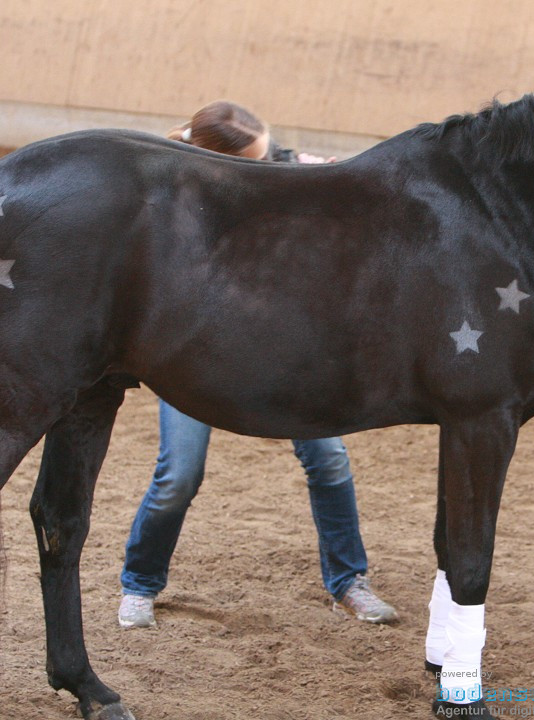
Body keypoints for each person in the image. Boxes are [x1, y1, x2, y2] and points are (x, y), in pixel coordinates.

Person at [118, 101, 397, 629]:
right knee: (178, 474)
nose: (271, 167)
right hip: (197, 354)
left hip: (284, 351)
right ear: (216, 162)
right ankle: (139, 584)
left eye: (270, 155)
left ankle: (349, 582)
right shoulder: (172, 199)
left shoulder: (281, 168)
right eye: (257, 161)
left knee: (329, 458)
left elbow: (346, 175)